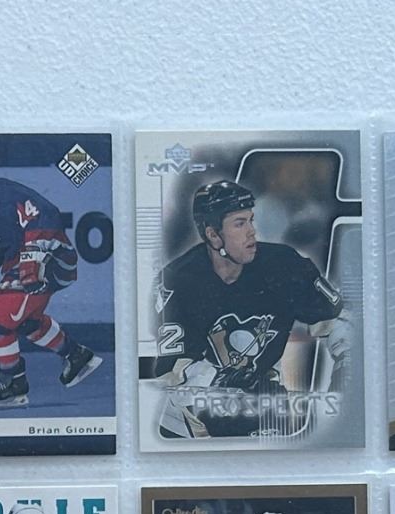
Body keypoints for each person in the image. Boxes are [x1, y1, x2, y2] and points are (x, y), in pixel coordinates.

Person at [146, 179, 351, 438]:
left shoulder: (284, 266)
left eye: (251, 220)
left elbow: (338, 319)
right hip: (189, 421)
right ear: (213, 235)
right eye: (239, 224)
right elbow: (172, 373)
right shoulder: (176, 281)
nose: (252, 231)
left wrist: (348, 360)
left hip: (260, 404)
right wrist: (218, 381)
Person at [0, 137, 100, 407]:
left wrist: (33, 260)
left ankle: (14, 383)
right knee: (24, 321)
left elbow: (45, 214)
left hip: (51, 259)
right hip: (23, 263)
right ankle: (76, 356)